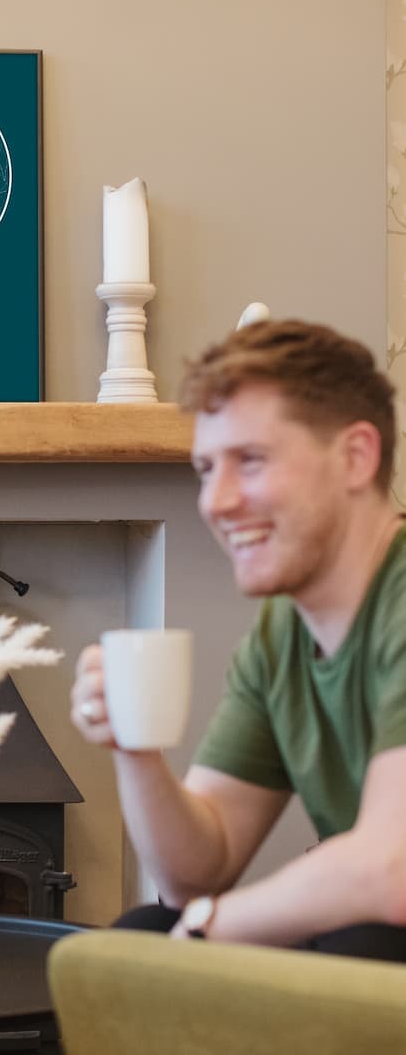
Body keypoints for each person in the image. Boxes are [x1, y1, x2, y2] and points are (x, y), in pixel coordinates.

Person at [71, 318, 406, 960]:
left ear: (356, 457)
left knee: (363, 940)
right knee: (144, 932)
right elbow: (196, 871)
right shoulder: (284, 632)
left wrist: (203, 927)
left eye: (249, 461)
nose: (216, 502)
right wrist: (131, 743)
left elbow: (389, 871)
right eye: (204, 468)